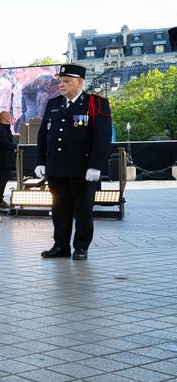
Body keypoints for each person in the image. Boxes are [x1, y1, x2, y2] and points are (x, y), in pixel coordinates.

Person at [35, 64, 112, 260]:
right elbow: (43, 135)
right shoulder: (54, 103)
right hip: (56, 167)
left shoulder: (95, 104)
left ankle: (81, 247)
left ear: (79, 82)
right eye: (60, 81)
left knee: (83, 209)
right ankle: (61, 246)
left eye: (66, 81)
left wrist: (95, 165)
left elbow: (102, 138)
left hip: (82, 169)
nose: (61, 85)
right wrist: (40, 161)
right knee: (59, 209)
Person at [0, 111, 17, 209]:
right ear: (3, 118)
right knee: (3, 180)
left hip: (8, 158)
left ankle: (0, 200)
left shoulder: (6, 129)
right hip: (4, 159)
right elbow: (4, 143)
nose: (11, 117)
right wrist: (14, 146)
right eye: (9, 116)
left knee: (4, 179)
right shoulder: (0, 129)